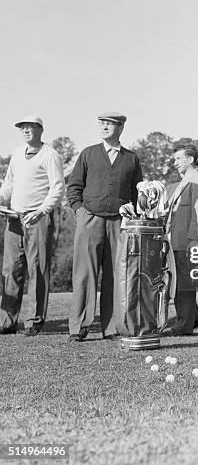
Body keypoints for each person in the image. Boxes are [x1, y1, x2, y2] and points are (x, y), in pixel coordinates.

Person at [67, 112, 142, 342]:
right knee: (84, 275)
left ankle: (111, 328)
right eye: (102, 123)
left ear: (120, 128)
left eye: (109, 124)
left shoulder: (131, 158)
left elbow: (137, 193)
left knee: (115, 276)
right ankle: (78, 327)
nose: (104, 127)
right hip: (89, 220)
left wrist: (133, 215)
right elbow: (74, 186)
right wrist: (80, 211)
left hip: (119, 223)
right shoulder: (88, 153)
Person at [0, 115, 65, 336]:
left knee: (37, 269)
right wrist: (1, 199)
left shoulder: (50, 155)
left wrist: (41, 211)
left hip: (38, 217)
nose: (26, 131)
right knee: (11, 269)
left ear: (40, 129)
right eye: (22, 128)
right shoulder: (18, 154)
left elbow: (57, 188)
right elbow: (9, 183)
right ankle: (7, 322)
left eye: (30, 127)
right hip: (14, 217)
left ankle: (34, 322)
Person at [164, 144, 198, 335]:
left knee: (184, 285)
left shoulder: (197, 179)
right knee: (181, 283)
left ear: (190, 160)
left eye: (178, 159)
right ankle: (193, 319)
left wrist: (193, 239)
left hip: (187, 242)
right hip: (175, 240)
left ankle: (184, 326)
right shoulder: (184, 182)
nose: (175, 163)